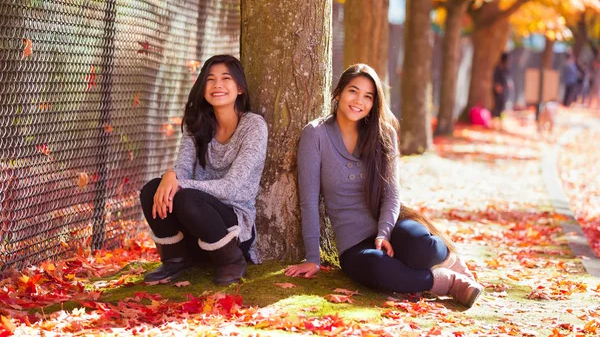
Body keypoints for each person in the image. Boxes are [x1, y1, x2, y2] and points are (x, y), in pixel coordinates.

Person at [285, 64, 483, 308]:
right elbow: (309, 200)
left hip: (392, 224)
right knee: (378, 268)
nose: (359, 101)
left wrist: (384, 233)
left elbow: (391, 193)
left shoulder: (383, 133)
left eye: (368, 96)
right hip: (353, 244)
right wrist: (313, 258)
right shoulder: (315, 134)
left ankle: (451, 260)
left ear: (374, 102)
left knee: (423, 247)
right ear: (338, 93)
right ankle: (446, 282)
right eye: (353, 91)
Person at [140, 54, 268, 285]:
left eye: (226, 78)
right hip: (193, 230)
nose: (217, 84)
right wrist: (172, 176)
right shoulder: (197, 123)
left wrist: (176, 181)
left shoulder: (253, 126)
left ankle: (231, 262)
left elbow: (230, 188)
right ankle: (175, 260)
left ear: (240, 88)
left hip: (232, 229)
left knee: (186, 196)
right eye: (210, 79)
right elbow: (183, 171)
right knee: (151, 190)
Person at [492, 53, 511, 118]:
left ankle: (500, 117)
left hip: (504, 90)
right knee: (498, 105)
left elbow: (507, 78)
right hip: (499, 90)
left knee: (503, 104)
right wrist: (497, 86)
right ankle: (496, 117)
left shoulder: (506, 68)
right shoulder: (498, 67)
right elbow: (496, 78)